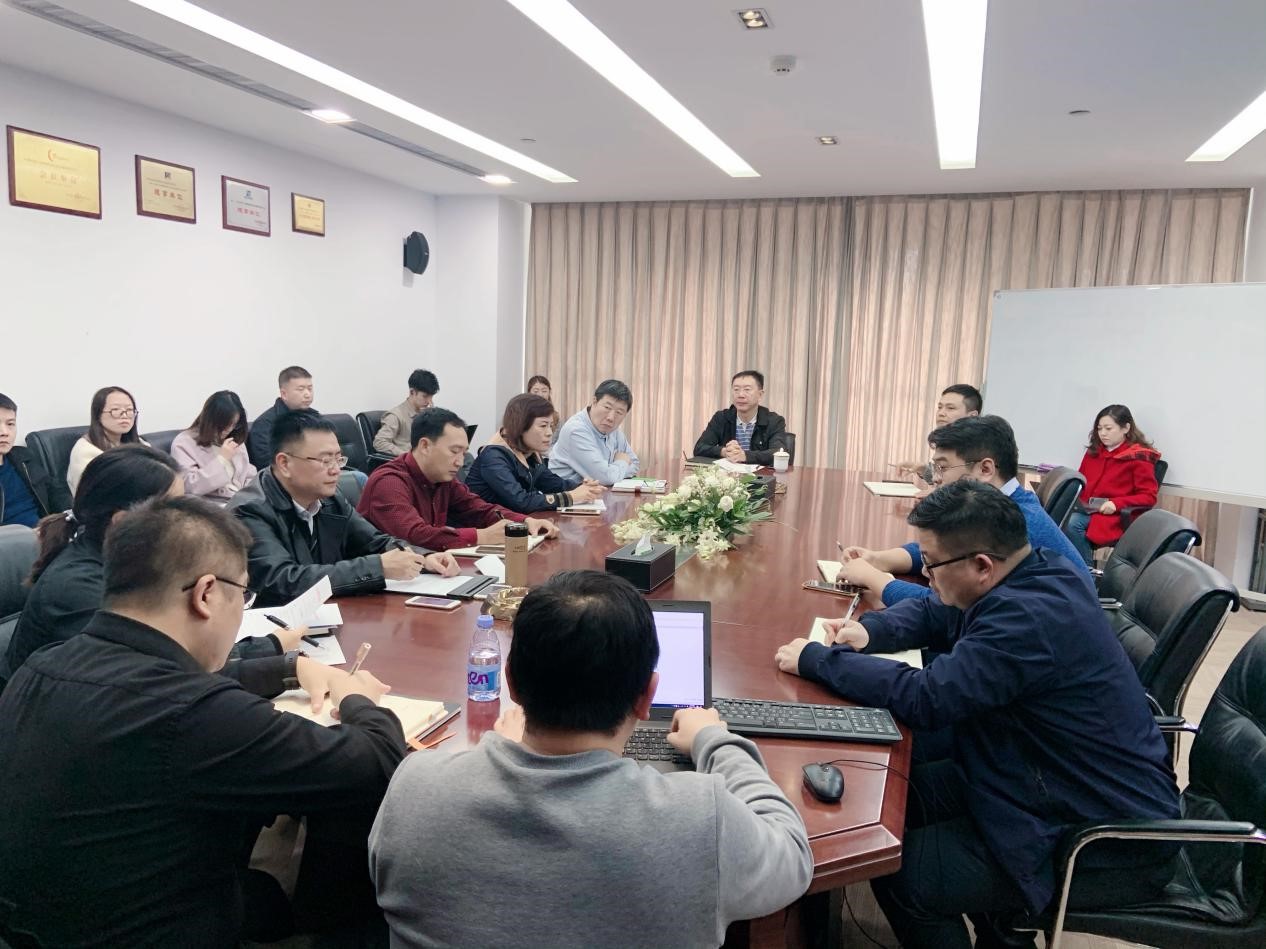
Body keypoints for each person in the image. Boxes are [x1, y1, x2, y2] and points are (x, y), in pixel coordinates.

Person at [774, 481, 1179, 949]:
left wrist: (821, 661)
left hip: (1095, 831)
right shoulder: (1034, 570)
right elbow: (937, 613)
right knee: (898, 793)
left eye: (931, 564)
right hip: (1031, 773)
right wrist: (870, 632)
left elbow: (928, 698)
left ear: (982, 566)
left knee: (903, 874)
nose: (925, 573)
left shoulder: (1027, 619)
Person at [0, 496, 406, 947]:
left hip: (55, 917)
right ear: (206, 593)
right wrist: (358, 699)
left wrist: (289, 667)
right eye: (244, 594)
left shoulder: (42, 666)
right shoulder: (193, 713)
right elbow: (375, 762)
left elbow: (167, 686)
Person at [370, 570, 813, 948]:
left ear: (512, 684)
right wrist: (717, 740)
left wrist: (501, 751)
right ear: (647, 696)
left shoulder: (415, 789)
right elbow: (793, 855)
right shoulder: (700, 819)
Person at [1, 446, 292, 688]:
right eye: (173, 509)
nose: (188, 519)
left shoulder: (134, 563)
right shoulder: (79, 588)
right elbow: (163, 677)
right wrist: (274, 656)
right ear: (122, 522)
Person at [840, 415, 1090, 607]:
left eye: (943, 468)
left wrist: (874, 579)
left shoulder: (1017, 524)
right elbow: (946, 549)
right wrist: (879, 559)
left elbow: (946, 608)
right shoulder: (1001, 506)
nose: (936, 479)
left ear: (985, 470)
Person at [229, 411, 457, 607]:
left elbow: (375, 542)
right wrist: (377, 567)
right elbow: (284, 581)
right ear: (284, 463)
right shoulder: (250, 511)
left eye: (338, 459)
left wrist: (423, 557)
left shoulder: (331, 499)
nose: (336, 470)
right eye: (325, 460)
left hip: (330, 616)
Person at [358, 408, 558, 551]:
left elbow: (478, 509)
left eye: (464, 453)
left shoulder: (442, 479)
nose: (460, 462)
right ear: (425, 446)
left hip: (430, 571)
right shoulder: (389, 482)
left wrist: (525, 521)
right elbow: (415, 536)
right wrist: (482, 536)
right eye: (454, 451)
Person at [465, 394, 605, 513]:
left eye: (551, 426)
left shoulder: (530, 454)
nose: (549, 433)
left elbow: (555, 484)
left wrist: (584, 487)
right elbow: (521, 501)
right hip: (483, 530)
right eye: (543, 426)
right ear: (520, 426)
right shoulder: (494, 456)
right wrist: (571, 496)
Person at [1063, 404, 1161, 566]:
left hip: (1115, 515)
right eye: (1099, 428)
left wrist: (1116, 504)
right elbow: (1082, 481)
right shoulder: (1094, 452)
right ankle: (1066, 571)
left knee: (1073, 524)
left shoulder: (1138, 456)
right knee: (1056, 518)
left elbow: (1148, 496)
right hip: (1088, 508)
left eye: (1108, 428)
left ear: (1126, 428)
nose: (1103, 433)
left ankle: (1086, 573)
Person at [170, 390, 258, 504]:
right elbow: (189, 487)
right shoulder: (184, 443)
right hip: (211, 507)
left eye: (233, 424)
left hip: (242, 502)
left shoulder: (234, 437)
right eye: (224, 425)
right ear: (210, 421)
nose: (228, 430)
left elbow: (249, 474)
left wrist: (251, 497)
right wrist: (222, 459)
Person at [549, 379, 640, 485]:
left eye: (619, 412)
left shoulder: (614, 431)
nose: (611, 418)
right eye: (607, 407)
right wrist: (622, 462)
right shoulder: (576, 430)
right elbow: (606, 478)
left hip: (597, 492)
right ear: (594, 401)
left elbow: (635, 463)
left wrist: (613, 471)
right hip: (568, 493)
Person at [692, 370, 789, 466]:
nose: (740, 395)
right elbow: (699, 448)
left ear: (760, 395)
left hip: (760, 474)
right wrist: (724, 451)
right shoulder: (721, 417)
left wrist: (745, 456)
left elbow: (778, 452)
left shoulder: (774, 421)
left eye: (747, 389)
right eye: (736, 389)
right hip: (728, 474)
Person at [67, 386, 146, 496]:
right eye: (115, 410)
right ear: (98, 415)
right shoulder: (85, 451)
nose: (124, 415)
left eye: (129, 410)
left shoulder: (139, 443)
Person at [894, 383, 983, 481]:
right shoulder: (945, 439)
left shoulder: (980, 448)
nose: (941, 413)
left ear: (972, 416)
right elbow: (942, 478)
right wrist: (923, 470)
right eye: (940, 407)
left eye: (950, 408)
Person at [247, 366, 315, 469]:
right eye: (301, 389)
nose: (308, 394)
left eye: (310, 389)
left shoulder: (315, 418)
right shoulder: (265, 424)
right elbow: (266, 465)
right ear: (284, 394)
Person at [0, 393, 52, 527]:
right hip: (12, 538)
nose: (4, 432)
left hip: (45, 532)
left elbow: (53, 494)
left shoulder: (23, 458)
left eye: (10, 424)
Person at [374, 369, 440, 456]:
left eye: (431, 397)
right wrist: (408, 456)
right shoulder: (395, 416)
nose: (429, 401)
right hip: (408, 461)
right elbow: (379, 443)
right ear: (412, 392)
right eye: (425, 396)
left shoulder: (425, 414)